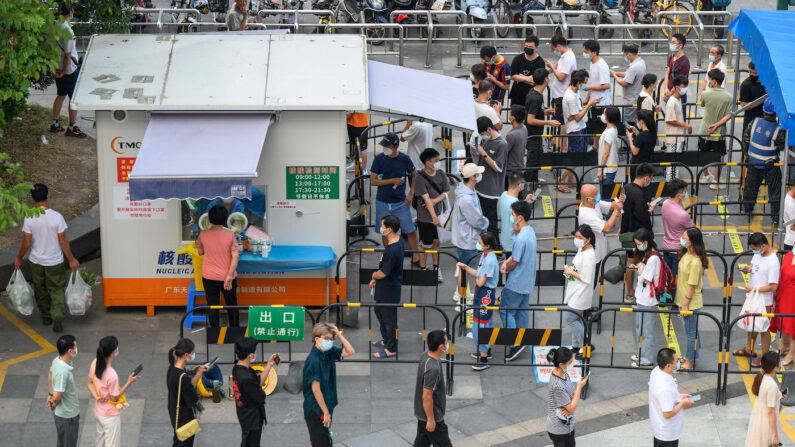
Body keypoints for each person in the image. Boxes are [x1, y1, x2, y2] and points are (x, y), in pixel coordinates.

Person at [15, 183, 79, 333]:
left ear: (32, 199)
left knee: (40, 288)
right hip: (55, 261)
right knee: (56, 288)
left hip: (36, 261)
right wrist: (71, 259)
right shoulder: (57, 217)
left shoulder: (29, 217)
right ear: (48, 195)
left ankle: (46, 316)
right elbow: (63, 241)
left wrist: (19, 257)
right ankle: (57, 314)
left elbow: (27, 242)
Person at [370, 133, 421, 264]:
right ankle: (388, 256)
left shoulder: (404, 159)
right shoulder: (379, 159)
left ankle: (415, 256)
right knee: (385, 231)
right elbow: (373, 181)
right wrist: (392, 180)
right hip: (382, 202)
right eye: (384, 145)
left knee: (410, 230)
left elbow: (415, 174)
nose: (385, 148)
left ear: (396, 146)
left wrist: (411, 194)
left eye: (387, 145)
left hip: (400, 202)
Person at [303, 323, 355, 447]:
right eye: (326, 338)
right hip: (316, 409)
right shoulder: (314, 360)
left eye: (331, 339)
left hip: (326, 405)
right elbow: (316, 390)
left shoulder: (328, 352)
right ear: (317, 339)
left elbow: (350, 351)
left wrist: (338, 335)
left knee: (316, 440)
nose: (329, 341)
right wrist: (326, 413)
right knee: (320, 442)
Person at [733, 233, 780, 367]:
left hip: (763, 301)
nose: (754, 251)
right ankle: (749, 348)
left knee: (763, 329)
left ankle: (764, 357)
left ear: (763, 246)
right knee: (750, 324)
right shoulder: (758, 254)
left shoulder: (773, 263)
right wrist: (749, 269)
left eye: (755, 248)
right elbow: (754, 266)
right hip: (751, 297)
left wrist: (755, 289)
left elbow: (773, 286)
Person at [500, 201, 536, 361]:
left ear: (519, 217)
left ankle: (515, 343)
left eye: (513, 215)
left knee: (506, 311)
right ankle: (522, 338)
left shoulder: (520, 239)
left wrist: (506, 267)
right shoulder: (530, 231)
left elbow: (514, 261)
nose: (511, 217)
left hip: (515, 283)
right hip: (527, 281)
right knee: (522, 311)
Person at [457, 232, 499, 370]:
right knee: (484, 323)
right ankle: (486, 351)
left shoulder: (490, 260)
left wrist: (475, 277)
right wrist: (466, 268)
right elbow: (478, 273)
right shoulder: (485, 255)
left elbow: (480, 281)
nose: (478, 244)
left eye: (480, 242)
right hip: (482, 294)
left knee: (480, 326)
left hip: (485, 294)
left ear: (487, 246)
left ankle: (484, 358)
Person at [87, 336, 138, 447]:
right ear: (114, 352)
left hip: (98, 411)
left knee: (100, 441)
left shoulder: (95, 363)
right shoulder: (112, 375)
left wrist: (96, 396)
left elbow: (89, 382)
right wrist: (128, 382)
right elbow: (114, 397)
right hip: (110, 416)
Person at [742, 99, 786, 226]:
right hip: (770, 166)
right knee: (775, 191)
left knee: (750, 187)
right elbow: (782, 146)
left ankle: (747, 209)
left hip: (753, 163)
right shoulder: (778, 129)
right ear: (776, 113)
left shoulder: (754, 122)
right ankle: (776, 218)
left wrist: (746, 154)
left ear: (763, 111)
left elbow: (746, 139)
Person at [197, 204, 240, 327]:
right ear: (225, 219)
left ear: (209, 218)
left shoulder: (203, 234)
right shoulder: (231, 235)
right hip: (227, 277)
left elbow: (200, 252)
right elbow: (235, 256)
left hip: (208, 276)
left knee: (213, 305)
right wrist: (229, 276)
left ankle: (215, 333)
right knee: (232, 304)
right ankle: (234, 331)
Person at [232, 337, 279, 447]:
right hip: (251, 419)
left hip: (245, 415)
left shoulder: (239, 368)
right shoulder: (246, 378)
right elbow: (262, 397)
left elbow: (259, 382)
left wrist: (269, 365)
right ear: (251, 355)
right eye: (255, 350)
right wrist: (260, 393)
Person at [621, 163, 657, 303]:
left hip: (626, 232)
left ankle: (629, 292)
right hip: (637, 235)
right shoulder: (639, 195)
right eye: (651, 178)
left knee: (630, 260)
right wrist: (649, 212)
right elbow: (643, 217)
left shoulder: (626, 188)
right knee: (636, 263)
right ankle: (632, 293)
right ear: (646, 178)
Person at [369, 215, 404, 358]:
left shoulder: (394, 249)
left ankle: (391, 348)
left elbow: (383, 273)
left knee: (389, 319)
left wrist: (374, 275)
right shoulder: (394, 242)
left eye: (382, 225)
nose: (380, 228)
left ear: (389, 229)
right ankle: (387, 340)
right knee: (379, 312)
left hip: (389, 290)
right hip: (385, 288)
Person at [50, 3, 86, 138]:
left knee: (60, 95)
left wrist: (53, 67)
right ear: (70, 13)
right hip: (69, 70)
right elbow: (67, 54)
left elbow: (48, 48)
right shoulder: (67, 31)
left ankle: (55, 124)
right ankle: (72, 127)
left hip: (56, 66)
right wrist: (65, 71)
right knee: (73, 99)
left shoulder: (52, 25)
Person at [413, 148, 450, 278]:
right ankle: (423, 270)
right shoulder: (419, 178)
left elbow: (447, 192)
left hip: (440, 215)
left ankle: (436, 269)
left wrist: (436, 201)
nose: (438, 162)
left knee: (436, 243)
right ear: (428, 163)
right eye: (436, 160)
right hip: (426, 218)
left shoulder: (440, 173)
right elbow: (426, 200)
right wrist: (434, 217)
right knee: (424, 245)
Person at [577, 184, 624, 284]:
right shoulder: (587, 215)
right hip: (592, 254)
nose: (598, 195)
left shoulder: (594, 203)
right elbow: (607, 228)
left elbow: (610, 205)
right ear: (588, 198)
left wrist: (619, 201)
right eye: (595, 194)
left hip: (598, 249)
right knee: (589, 282)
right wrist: (616, 211)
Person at [676, 227, 708, 371]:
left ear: (692, 242)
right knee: (692, 331)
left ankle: (690, 360)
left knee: (690, 333)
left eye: (685, 237)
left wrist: (685, 305)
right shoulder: (686, 254)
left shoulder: (695, 262)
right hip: (683, 300)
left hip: (690, 303)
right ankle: (693, 356)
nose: (682, 239)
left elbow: (692, 285)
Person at [413, 330, 452, 446]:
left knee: (421, 443)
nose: (447, 344)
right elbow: (427, 396)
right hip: (433, 415)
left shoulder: (425, 355)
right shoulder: (433, 368)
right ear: (441, 347)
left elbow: (419, 375)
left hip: (422, 412)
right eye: (446, 342)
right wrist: (431, 419)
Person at [167, 338, 209, 447]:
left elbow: (189, 386)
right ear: (186, 355)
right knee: (184, 444)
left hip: (175, 414)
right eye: (192, 353)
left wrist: (200, 371)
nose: (193, 355)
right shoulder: (182, 376)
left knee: (179, 442)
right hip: (184, 418)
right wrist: (199, 405)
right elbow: (191, 397)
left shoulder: (172, 369)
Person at [563, 225, 596, 360]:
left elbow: (586, 278)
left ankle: (585, 343)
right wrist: (570, 270)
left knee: (569, 319)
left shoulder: (589, 256)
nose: (577, 239)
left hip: (581, 293)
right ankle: (576, 345)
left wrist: (572, 272)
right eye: (576, 236)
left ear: (588, 239)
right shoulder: (582, 249)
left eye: (580, 237)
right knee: (577, 319)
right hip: (575, 289)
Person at [649, 348, 694, 446]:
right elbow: (667, 414)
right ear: (668, 366)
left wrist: (678, 396)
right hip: (667, 434)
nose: (679, 362)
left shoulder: (656, 371)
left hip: (659, 427)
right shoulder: (664, 389)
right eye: (677, 360)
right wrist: (682, 403)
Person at [630, 228, 661, 367]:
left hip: (648, 299)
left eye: (638, 243)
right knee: (639, 328)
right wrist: (639, 268)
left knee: (647, 331)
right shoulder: (648, 254)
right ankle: (640, 354)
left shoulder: (653, 258)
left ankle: (647, 359)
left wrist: (639, 270)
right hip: (642, 297)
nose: (637, 246)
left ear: (646, 242)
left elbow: (645, 278)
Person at [545, 347, 588, 447]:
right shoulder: (557, 385)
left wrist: (569, 409)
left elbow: (572, 393)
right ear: (561, 364)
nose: (572, 364)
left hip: (567, 425)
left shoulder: (564, 374)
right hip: (559, 430)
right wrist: (579, 387)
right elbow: (572, 406)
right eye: (570, 362)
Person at [474, 117, 508, 241]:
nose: (482, 136)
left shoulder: (502, 144)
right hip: (480, 187)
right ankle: (484, 244)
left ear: (489, 129)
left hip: (491, 192)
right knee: (482, 219)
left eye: (482, 133)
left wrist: (484, 153)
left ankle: (496, 249)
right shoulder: (486, 140)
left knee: (491, 223)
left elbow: (498, 168)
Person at [698, 69, 733, 190]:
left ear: (714, 82)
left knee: (703, 153)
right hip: (720, 131)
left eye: (709, 79)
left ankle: (706, 175)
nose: (708, 81)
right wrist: (717, 124)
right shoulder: (729, 97)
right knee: (720, 155)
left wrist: (702, 90)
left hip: (705, 129)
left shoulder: (705, 94)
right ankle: (716, 180)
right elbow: (729, 114)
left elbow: (702, 103)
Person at [525, 68, 561, 184]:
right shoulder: (535, 97)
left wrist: (544, 112)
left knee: (537, 158)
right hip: (532, 135)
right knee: (532, 160)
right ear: (546, 79)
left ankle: (534, 179)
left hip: (536, 134)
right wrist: (548, 122)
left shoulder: (535, 93)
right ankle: (529, 185)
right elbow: (530, 120)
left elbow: (533, 111)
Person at [452, 163, 489, 269]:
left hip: (464, 236)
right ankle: (461, 286)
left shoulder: (464, 189)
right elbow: (476, 221)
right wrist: (485, 221)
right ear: (473, 177)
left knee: (464, 270)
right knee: (466, 271)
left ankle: (461, 285)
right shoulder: (466, 199)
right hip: (467, 239)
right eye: (478, 174)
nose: (480, 175)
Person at [745, 351, 784, 447]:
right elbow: (771, 411)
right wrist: (774, 434)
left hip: (759, 420)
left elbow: (765, 397)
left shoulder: (762, 377)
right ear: (775, 366)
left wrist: (778, 395)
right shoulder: (772, 385)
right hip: (767, 424)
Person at [47, 335, 80, 447]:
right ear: (70, 351)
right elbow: (57, 396)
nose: (77, 349)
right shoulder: (62, 373)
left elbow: (50, 374)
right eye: (75, 347)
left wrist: (50, 395)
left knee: (62, 443)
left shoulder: (57, 360)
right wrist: (53, 400)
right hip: (67, 416)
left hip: (63, 415)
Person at [547, 35, 577, 155]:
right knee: (560, 121)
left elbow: (560, 76)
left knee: (562, 123)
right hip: (559, 94)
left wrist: (552, 69)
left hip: (562, 95)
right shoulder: (565, 56)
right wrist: (547, 71)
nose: (554, 51)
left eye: (553, 48)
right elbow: (557, 65)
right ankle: (560, 146)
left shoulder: (568, 58)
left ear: (559, 46)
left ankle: (563, 148)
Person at [582, 39, 611, 151]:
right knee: (594, 126)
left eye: (586, 51)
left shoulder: (601, 65)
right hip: (593, 101)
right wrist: (587, 98)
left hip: (601, 102)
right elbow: (593, 82)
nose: (584, 53)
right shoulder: (592, 62)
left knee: (599, 127)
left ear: (594, 52)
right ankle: (595, 146)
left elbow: (606, 85)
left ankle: (600, 150)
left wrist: (588, 88)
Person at [660, 179, 693, 277]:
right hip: (678, 250)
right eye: (685, 191)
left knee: (668, 279)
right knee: (677, 281)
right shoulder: (682, 215)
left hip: (666, 247)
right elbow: (692, 228)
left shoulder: (665, 203)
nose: (686, 193)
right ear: (679, 195)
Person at [563, 70, 598, 159]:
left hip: (581, 127)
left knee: (579, 158)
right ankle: (565, 174)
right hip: (575, 130)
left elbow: (577, 110)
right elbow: (578, 118)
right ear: (579, 83)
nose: (586, 85)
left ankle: (569, 173)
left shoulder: (576, 91)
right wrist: (589, 105)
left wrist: (585, 102)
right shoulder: (570, 96)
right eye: (585, 83)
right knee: (575, 160)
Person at [663, 76, 692, 181]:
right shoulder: (672, 102)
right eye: (683, 86)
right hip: (673, 138)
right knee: (672, 165)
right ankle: (671, 186)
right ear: (676, 87)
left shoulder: (678, 99)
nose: (685, 88)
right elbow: (669, 120)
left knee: (676, 164)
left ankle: (674, 185)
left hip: (678, 137)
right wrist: (685, 125)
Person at [610, 43, 646, 124]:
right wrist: (617, 73)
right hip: (636, 97)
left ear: (629, 54)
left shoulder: (634, 67)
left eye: (624, 55)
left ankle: (629, 136)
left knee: (628, 125)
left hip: (630, 101)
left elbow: (624, 83)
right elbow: (629, 74)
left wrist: (614, 76)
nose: (625, 57)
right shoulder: (640, 62)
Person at [772, 247, 795, 365]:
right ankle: (785, 345)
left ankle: (791, 354)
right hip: (784, 293)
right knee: (783, 321)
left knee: (792, 324)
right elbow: (782, 273)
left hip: (793, 296)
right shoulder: (789, 255)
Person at [508, 36, 545, 107]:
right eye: (526, 46)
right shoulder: (518, 59)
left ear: (536, 48)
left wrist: (520, 77)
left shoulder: (540, 62)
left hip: (532, 96)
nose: (527, 48)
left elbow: (536, 81)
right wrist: (527, 79)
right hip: (517, 95)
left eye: (530, 47)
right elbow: (513, 76)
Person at [663, 33, 690, 112]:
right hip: (670, 93)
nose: (671, 44)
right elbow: (667, 72)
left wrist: (669, 94)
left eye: (673, 43)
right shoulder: (672, 56)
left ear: (680, 45)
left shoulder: (684, 63)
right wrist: (666, 89)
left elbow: (680, 83)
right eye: (671, 42)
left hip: (677, 95)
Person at [596, 106, 621, 192]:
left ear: (608, 117)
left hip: (607, 169)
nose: (602, 115)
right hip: (610, 167)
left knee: (606, 196)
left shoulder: (609, 133)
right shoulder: (613, 129)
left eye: (604, 113)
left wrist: (600, 170)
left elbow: (605, 153)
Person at [626, 109, 658, 176]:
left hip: (637, 167)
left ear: (641, 121)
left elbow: (635, 151)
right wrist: (637, 132)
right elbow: (644, 141)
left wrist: (629, 138)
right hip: (647, 164)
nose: (636, 122)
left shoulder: (641, 136)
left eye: (637, 120)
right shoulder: (653, 133)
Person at [499, 173, 524, 253]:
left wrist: (524, 202)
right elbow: (517, 228)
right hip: (513, 243)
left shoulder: (503, 195)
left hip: (504, 239)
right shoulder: (515, 205)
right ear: (520, 185)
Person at [739, 62, 766, 136]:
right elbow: (744, 106)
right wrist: (763, 100)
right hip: (751, 120)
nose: (751, 75)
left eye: (754, 73)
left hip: (766, 119)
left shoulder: (767, 82)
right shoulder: (746, 85)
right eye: (750, 72)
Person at [505, 105, 528, 174]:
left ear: (513, 118)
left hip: (511, 169)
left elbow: (504, 152)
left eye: (510, 113)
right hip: (520, 166)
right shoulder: (524, 128)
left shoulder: (511, 135)